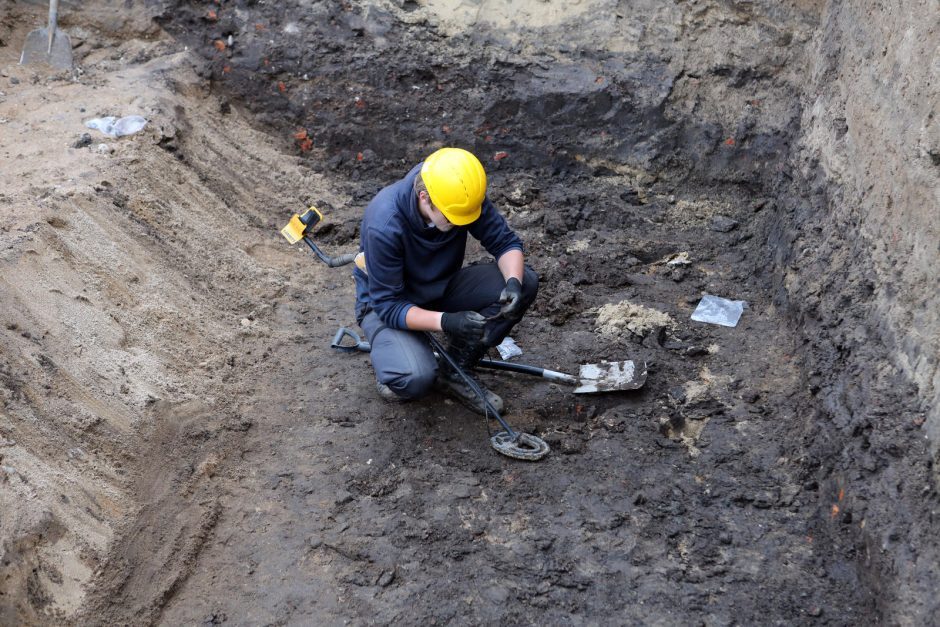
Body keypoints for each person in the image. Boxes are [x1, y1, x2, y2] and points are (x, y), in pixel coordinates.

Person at [353, 147, 538, 414]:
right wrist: (447, 322)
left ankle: (454, 370)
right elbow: (389, 305)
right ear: (424, 198)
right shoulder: (384, 224)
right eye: (453, 219)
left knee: (526, 281)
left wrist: (512, 283)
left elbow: (505, 242)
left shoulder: (459, 194)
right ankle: (403, 365)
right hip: (387, 304)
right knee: (414, 377)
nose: (459, 223)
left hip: (439, 286)